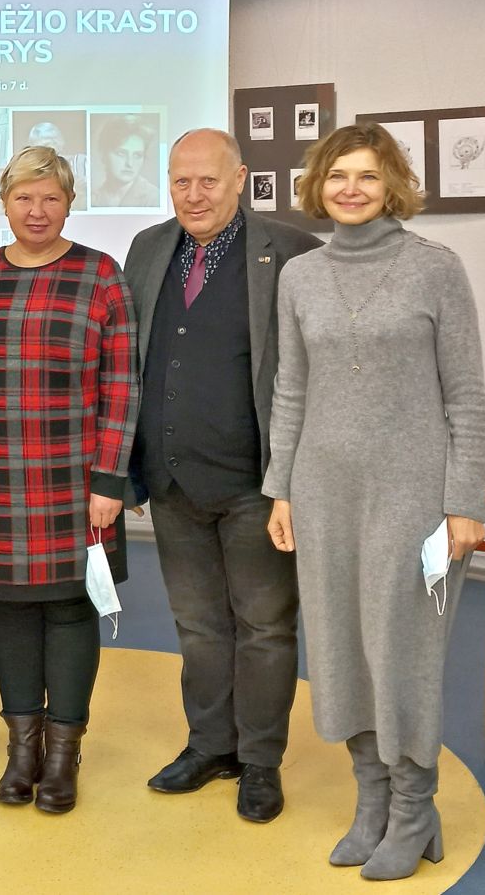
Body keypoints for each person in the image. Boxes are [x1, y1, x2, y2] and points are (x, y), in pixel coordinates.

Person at [264, 122, 485, 880]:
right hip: (322, 492)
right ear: (317, 188)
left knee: (404, 652)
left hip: (414, 495)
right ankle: (373, 800)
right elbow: (290, 390)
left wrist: (463, 502)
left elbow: (466, 397)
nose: (350, 189)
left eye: (365, 176)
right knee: (339, 648)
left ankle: (415, 805)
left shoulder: (436, 269)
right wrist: (280, 489)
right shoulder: (300, 276)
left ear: (391, 185)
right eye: (337, 177)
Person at [122, 128, 320, 823]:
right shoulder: (148, 250)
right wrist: (127, 469)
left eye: (208, 180)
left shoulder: (291, 252)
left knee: (264, 626)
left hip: (257, 487)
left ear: (241, 178)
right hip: (173, 482)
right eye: (181, 181)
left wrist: (294, 480)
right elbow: (130, 365)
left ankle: (260, 762)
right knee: (200, 626)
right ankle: (210, 744)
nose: (194, 194)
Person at [0, 146, 138, 814]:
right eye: (24, 197)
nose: (37, 210)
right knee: (12, 608)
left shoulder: (101, 276)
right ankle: (21, 750)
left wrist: (110, 479)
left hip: (76, 478)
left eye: (50, 197)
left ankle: (61, 755)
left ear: (69, 202)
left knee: (71, 606)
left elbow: (121, 384)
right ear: (4, 203)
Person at [92, 115, 160, 208]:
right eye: (121, 153)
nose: (129, 163)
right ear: (104, 154)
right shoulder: (93, 197)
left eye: (137, 155)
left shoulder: (153, 198)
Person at [26, 121, 88, 211]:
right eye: (45, 141)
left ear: (61, 141)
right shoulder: (27, 172)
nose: (51, 143)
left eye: (54, 138)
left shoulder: (81, 161)